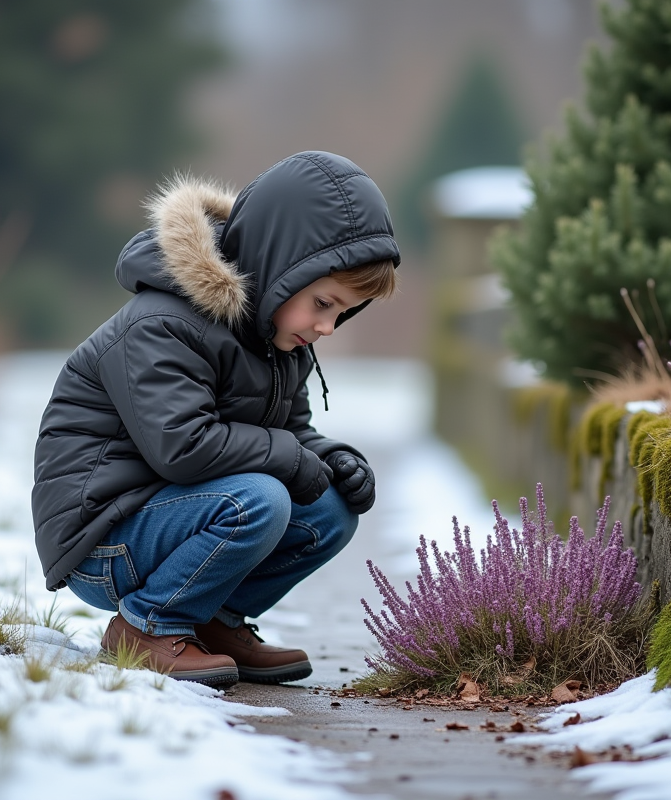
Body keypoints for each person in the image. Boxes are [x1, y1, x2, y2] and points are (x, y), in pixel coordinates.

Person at [31, 152, 400, 687]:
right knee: (260, 499)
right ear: (282, 264)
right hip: (105, 540)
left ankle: (213, 620)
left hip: (171, 521)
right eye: (322, 302)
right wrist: (291, 459)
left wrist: (335, 460)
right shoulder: (161, 325)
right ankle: (145, 626)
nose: (328, 327)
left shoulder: (276, 338)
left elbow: (291, 436)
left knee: (330, 508)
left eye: (341, 312)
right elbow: (184, 447)